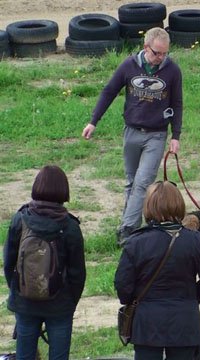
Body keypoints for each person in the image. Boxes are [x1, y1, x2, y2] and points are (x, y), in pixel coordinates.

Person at [81, 27, 183, 245]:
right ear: (146, 47)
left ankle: (128, 230)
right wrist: (93, 121)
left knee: (142, 183)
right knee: (130, 182)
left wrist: (176, 135)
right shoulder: (129, 66)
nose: (161, 57)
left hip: (156, 134)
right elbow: (109, 91)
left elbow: (177, 103)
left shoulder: (172, 71)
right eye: (157, 53)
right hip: (132, 132)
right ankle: (134, 225)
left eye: (165, 53)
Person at [114, 181, 200, 360]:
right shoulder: (194, 240)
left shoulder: (137, 242)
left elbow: (122, 283)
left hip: (147, 321)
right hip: (184, 320)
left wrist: (132, 300)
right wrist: (194, 295)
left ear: (148, 206)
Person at [3, 165, 86, 360]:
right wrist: (69, 301)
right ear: (63, 190)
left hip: (25, 302)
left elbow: (9, 263)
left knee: (25, 355)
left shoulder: (20, 219)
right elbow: (77, 273)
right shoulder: (70, 227)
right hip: (60, 304)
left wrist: (19, 290)